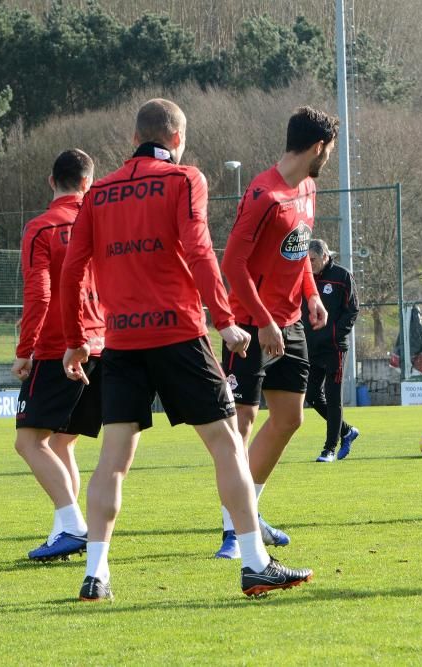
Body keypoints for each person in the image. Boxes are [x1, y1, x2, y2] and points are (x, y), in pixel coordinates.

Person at [60, 98, 313, 600]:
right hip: (178, 334)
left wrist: (74, 343)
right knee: (225, 446)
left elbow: (72, 271)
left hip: (123, 341)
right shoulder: (184, 179)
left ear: (135, 139)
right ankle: (255, 562)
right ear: (176, 139)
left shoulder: (99, 192)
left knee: (112, 460)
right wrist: (224, 320)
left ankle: (96, 573)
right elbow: (198, 248)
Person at [214, 106, 338, 559]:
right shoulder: (263, 194)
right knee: (241, 423)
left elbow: (299, 249)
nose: (329, 158)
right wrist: (263, 320)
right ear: (317, 147)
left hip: (289, 321)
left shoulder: (308, 187)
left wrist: (311, 296)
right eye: (330, 150)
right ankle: (234, 529)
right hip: (251, 323)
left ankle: (248, 511)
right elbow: (233, 265)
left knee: (289, 418)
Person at [14, 149, 104, 561]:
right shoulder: (103, 222)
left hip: (58, 348)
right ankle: (63, 531)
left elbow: (40, 293)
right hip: (102, 344)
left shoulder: (41, 227)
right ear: (88, 182)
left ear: (52, 181)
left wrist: (25, 349)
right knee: (64, 443)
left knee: (29, 441)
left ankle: (72, 524)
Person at [305, 239, 361, 462]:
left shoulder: (342, 276)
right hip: (311, 347)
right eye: (307, 260)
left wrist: (334, 334)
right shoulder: (305, 278)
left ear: (325, 256)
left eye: (313, 260)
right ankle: (347, 431)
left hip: (334, 348)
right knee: (312, 395)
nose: (309, 264)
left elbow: (353, 310)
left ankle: (329, 449)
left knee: (332, 396)